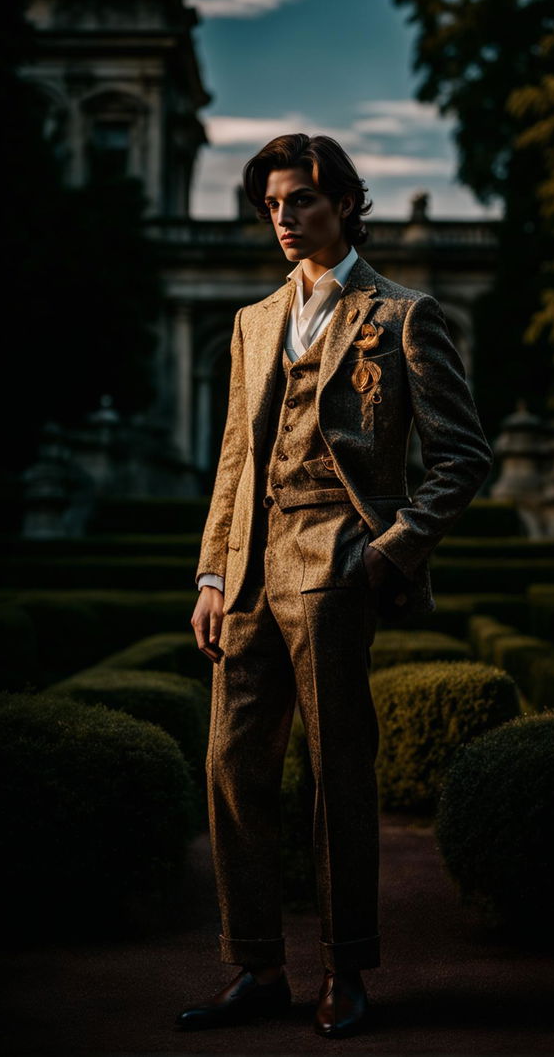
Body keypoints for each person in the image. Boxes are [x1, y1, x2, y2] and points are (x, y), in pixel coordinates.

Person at [177, 133, 492, 1039]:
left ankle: (345, 970)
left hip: (337, 563)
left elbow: (461, 455)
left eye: (301, 202)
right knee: (233, 768)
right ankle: (257, 966)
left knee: (336, 775)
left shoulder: (403, 314)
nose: (282, 218)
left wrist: (390, 550)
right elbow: (235, 462)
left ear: (345, 204)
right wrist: (209, 572)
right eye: (272, 204)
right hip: (244, 573)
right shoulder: (250, 323)